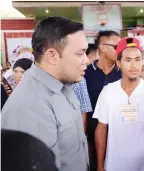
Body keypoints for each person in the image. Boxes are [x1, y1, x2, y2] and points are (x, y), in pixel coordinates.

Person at [1, 17, 89, 171]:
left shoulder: (64, 86)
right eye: (80, 53)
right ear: (52, 56)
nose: (87, 60)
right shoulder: (27, 108)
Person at [93, 37, 144, 171]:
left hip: (143, 166)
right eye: (128, 60)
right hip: (113, 165)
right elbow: (101, 129)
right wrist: (100, 165)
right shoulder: (108, 91)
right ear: (119, 63)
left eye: (137, 59)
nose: (134, 65)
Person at [84, 30, 121, 171]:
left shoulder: (123, 74)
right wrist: (84, 138)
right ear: (103, 47)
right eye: (117, 47)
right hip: (92, 136)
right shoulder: (85, 74)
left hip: (118, 136)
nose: (121, 50)